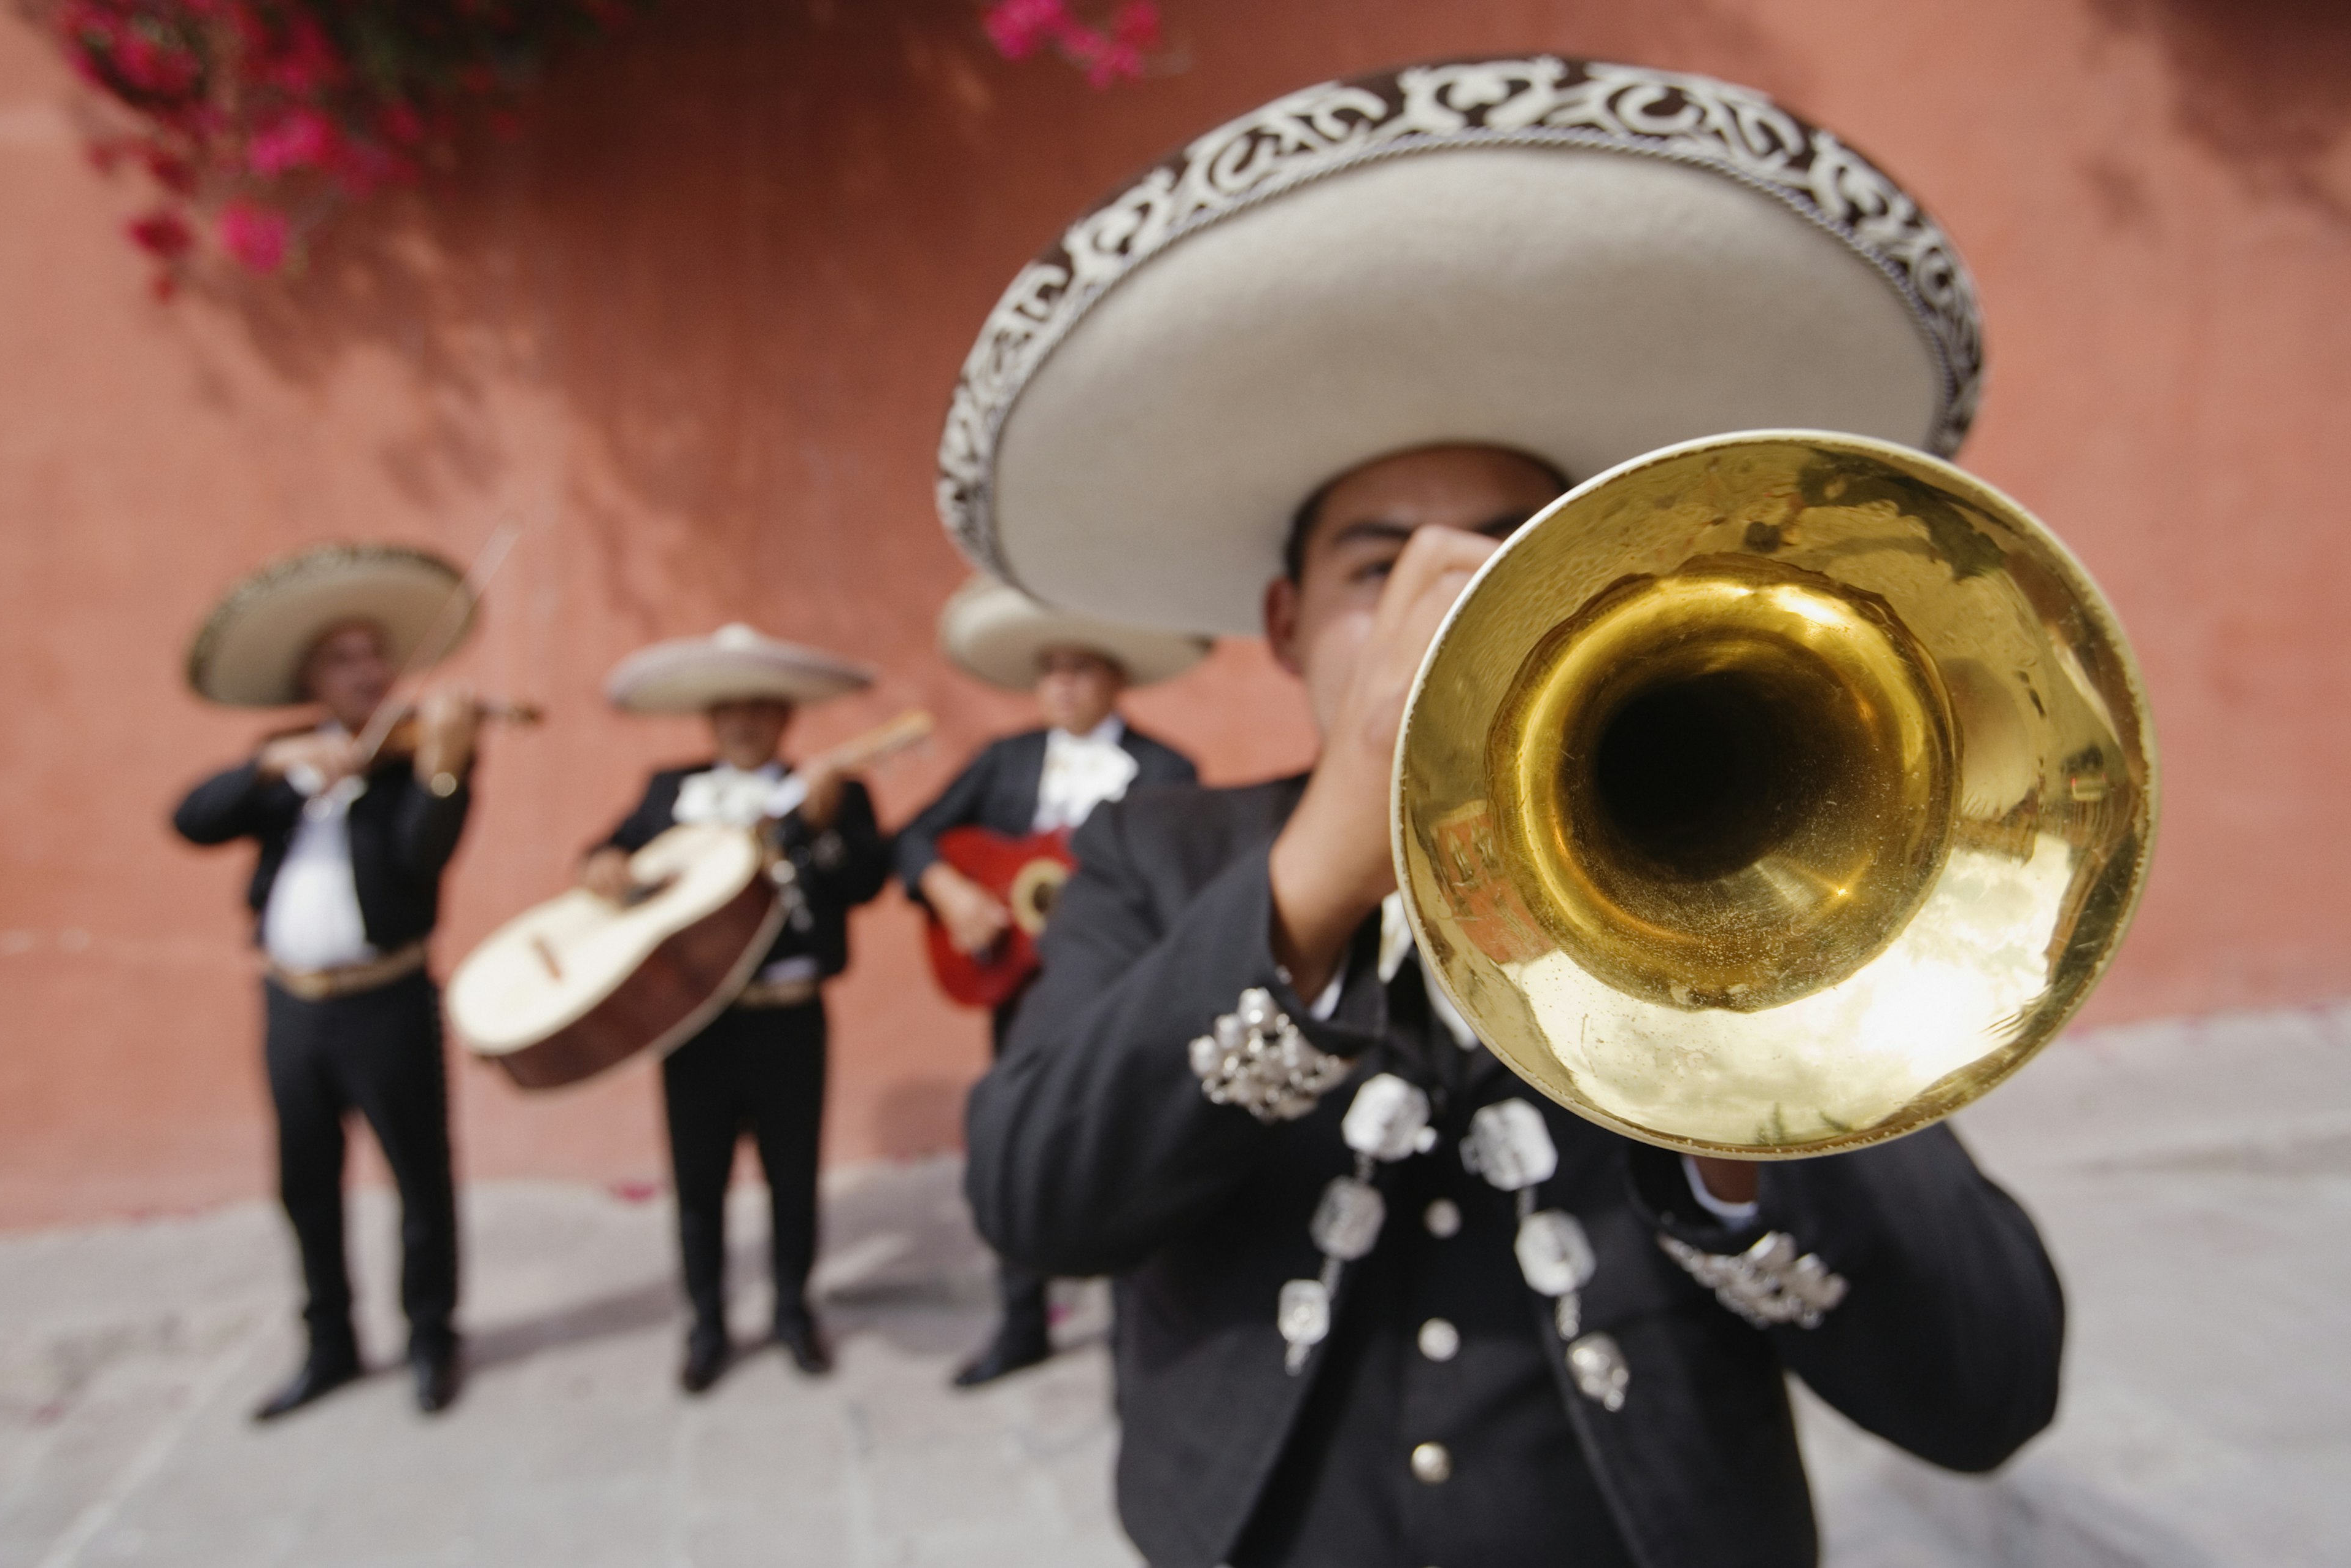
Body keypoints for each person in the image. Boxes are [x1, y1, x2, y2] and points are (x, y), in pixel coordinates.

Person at [944, 58, 2061, 1567]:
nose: (1444, 609)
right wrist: (1324, 860)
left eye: (1520, 560)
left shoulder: (1736, 881)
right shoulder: (1162, 853)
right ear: (1280, 624)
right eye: (1377, 569)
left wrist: (1743, 1093)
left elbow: (1987, 1387)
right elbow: (1033, 1204)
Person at [172, 543, 484, 1421]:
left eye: (375, 655)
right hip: (292, 1006)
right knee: (305, 1180)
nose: (367, 671)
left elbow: (424, 857)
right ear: (313, 675)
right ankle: (330, 1344)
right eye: (345, 658)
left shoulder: (420, 759)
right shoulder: (281, 760)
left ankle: (431, 1336)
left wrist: (447, 767)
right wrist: (274, 765)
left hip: (386, 997)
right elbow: (190, 820)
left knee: (419, 1176)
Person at [894, 576, 1205, 1387]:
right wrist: (951, 888)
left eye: (1080, 667)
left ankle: (1131, 1334)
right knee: (1018, 1137)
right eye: (1050, 668)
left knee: (1130, 1141)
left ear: (1116, 677)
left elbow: (1184, 884)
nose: (1061, 682)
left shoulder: (1167, 767)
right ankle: (1020, 1318)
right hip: (1021, 991)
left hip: (1124, 995)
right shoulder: (1005, 761)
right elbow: (916, 837)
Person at [581, 624, 891, 1394]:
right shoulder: (669, 792)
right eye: (729, 709)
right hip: (695, 1020)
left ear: (785, 716)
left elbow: (864, 882)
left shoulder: (834, 789)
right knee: (698, 1179)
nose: (744, 722)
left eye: (760, 707)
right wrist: (602, 866)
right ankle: (707, 1321)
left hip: (789, 1013)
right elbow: (604, 853)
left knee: (794, 1172)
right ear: (709, 719)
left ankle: (793, 1308)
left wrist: (820, 834)